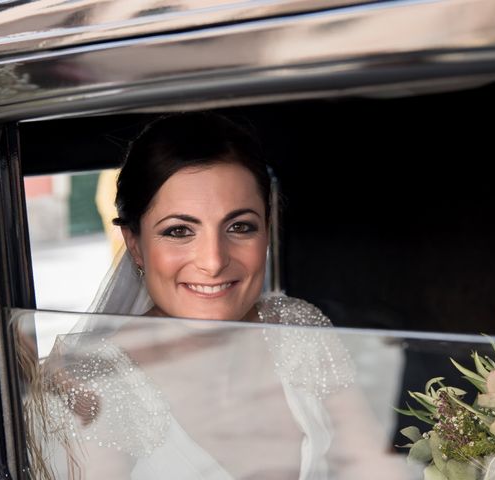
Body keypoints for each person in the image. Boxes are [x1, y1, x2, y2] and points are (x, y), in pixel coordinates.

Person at [27, 113, 414, 480]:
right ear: (136, 245)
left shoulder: (296, 326)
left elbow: (373, 465)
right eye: (179, 231)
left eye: (240, 226)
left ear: (267, 230)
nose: (213, 261)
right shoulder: (93, 380)